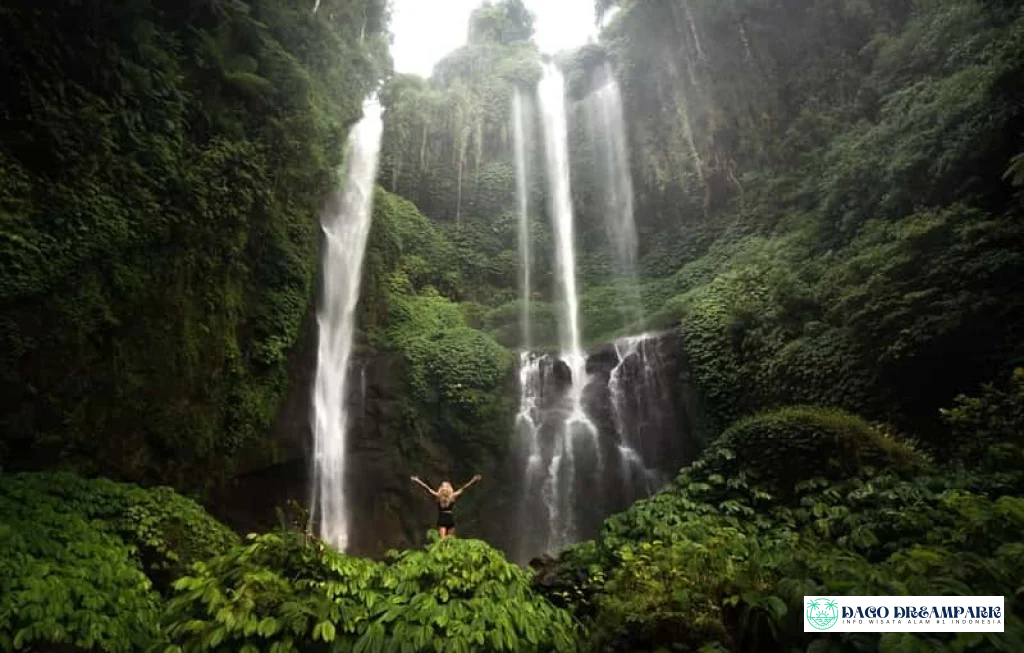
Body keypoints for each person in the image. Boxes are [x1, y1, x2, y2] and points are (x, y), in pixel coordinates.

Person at [410, 474, 482, 539]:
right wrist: (417, 481)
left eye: (446, 486)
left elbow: (464, 488)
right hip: (442, 518)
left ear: (448, 488)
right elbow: (427, 489)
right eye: (443, 486)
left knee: (451, 539)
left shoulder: (452, 496)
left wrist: (473, 480)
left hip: (450, 518)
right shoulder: (438, 496)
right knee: (443, 540)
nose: (444, 488)